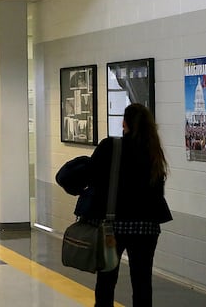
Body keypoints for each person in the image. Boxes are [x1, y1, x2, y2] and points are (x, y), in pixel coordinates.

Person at [57, 103, 172, 307]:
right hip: (146, 229)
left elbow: (89, 176)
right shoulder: (153, 152)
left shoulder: (111, 146)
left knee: (107, 279)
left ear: (124, 123)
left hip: (112, 228)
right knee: (142, 281)